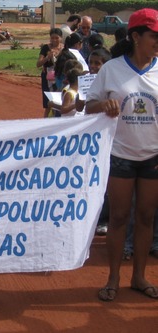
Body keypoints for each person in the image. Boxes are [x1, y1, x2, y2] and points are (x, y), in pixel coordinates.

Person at [85, 8, 158, 301]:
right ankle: (113, 279)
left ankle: (139, 277)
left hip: (153, 156)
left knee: (146, 217)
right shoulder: (112, 69)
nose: (157, 41)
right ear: (136, 36)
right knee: (117, 217)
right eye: (154, 35)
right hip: (120, 155)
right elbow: (88, 106)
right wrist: (105, 106)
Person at [36, 28, 63, 118]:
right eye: (52, 38)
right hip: (47, 78)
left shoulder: (64, 49)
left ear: (61, 38)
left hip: (60, 77)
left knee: (59, 99)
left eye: (56, 38)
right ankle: (46, 120)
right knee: (49, 101)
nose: (54, 40)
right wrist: (47, 57)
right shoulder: (45, 48)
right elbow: (38, 64)